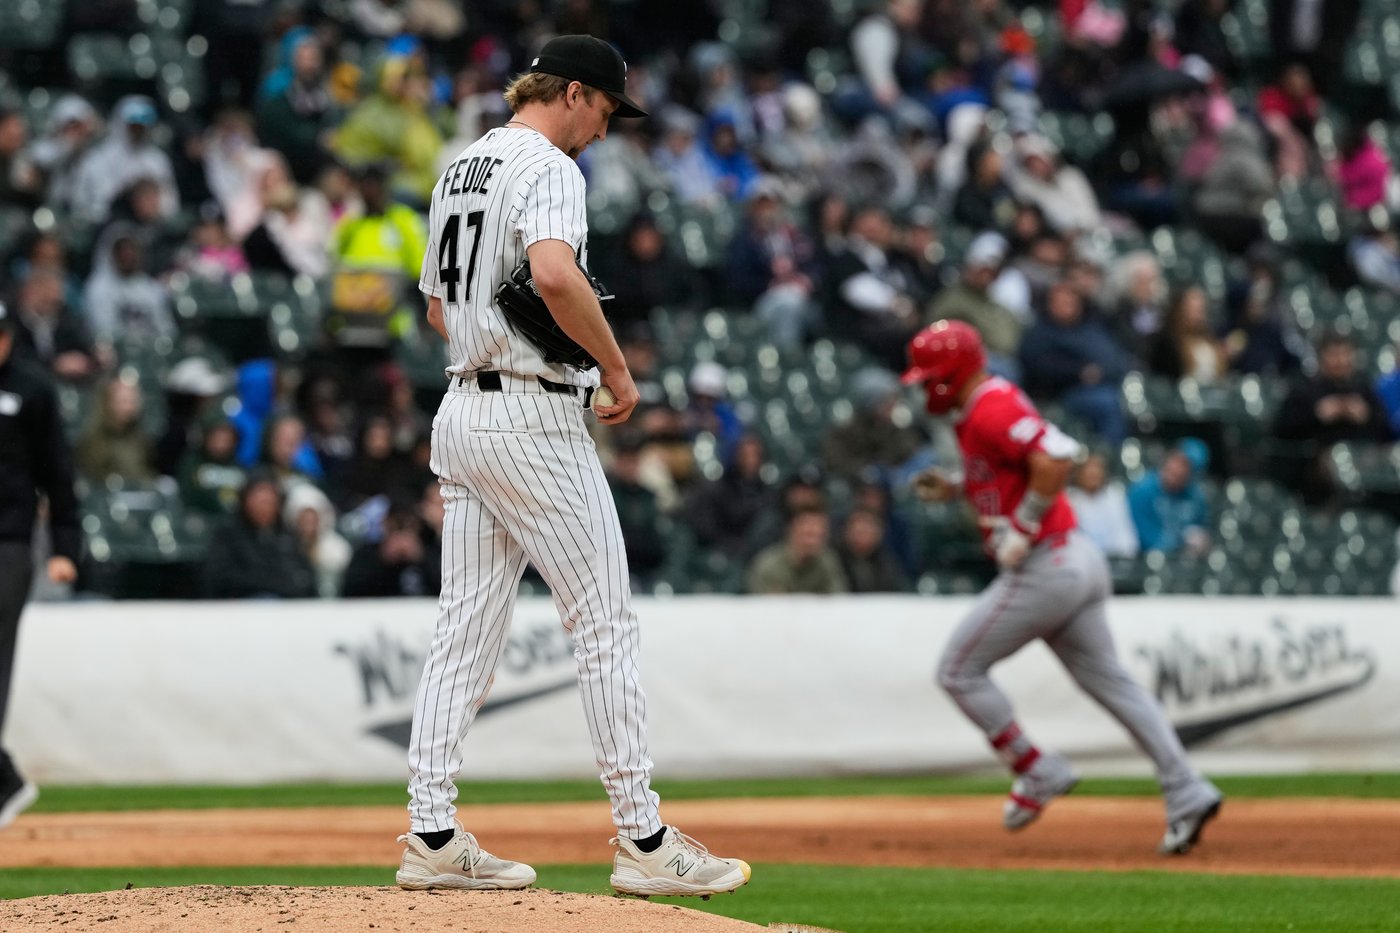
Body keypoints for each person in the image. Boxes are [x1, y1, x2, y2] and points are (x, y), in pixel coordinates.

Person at [399, 35, 750, 898]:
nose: (602, 129)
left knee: (465, 629)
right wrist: (613, 367)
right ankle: (643, 836)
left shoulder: (460, 165)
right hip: (529, 418)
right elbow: (554, 273)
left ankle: (432, 831)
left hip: (460, 411)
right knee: (603, 623)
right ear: (576, 93)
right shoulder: (551, 166)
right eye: (604, 108)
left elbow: (441, 314)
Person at [902, 320, 1223, 854]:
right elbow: (1017, 467)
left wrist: (1024, 525)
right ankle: (1186, 788)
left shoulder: (989, 405)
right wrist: (962, 486)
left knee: (957, 670)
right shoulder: (982, 405)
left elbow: (1057, 457)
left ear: (952, 371)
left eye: (930, 376)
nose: (923, 386)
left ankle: (1036, 768)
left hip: (1046, 563)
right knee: (1114, 684)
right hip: (1074, 557)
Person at [0, 302, 80, 828]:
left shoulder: (32, 387)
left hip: (8, 541)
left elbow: (58, 471)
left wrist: (64, 548)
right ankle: (4, 779)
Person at [203, 474, 317, 599]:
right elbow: (222, 578)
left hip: (289, 603)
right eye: (260, 501)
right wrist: (277, 584)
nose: (265, 508)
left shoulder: (285, 536)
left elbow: (304, 576)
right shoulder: (227, 534)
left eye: (270, 502)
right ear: (245, 500)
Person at [1128, 441, 1212, 556]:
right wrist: (1180, 543)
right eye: (1178, 461)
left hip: (1184, 562)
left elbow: (1200, 528)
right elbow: (1143, 538)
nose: (1179, 469)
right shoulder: (1142, 491)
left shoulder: (1196, 496)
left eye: (1187, 466)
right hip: (1145, 560)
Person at [745, 506, 850, 595]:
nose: (812, 542)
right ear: (792, 532)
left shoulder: (829, 563)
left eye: (819, 536)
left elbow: (838, 601)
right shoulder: (768, 565)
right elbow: (760, 606)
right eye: (808, 535)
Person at [1065, 452, 1139, 559]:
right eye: (1088, 468)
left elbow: (1127, 539)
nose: (1093, 472)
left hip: (1115, 561)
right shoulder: (1069, 499)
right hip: (1080, 561)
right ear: (1079, 472)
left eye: (1098, 468)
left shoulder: (1114, 497)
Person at [836, 507, 907, 593]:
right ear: (846, 531)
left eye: (867, 532)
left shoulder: (886, 563)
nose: (862, 537)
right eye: (859, 532)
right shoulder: (835, 559)